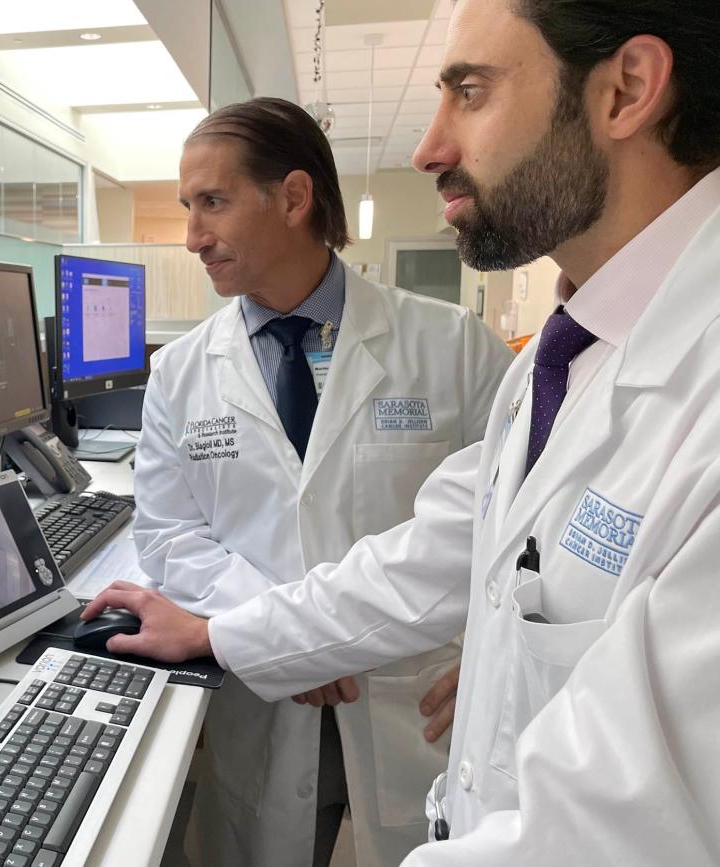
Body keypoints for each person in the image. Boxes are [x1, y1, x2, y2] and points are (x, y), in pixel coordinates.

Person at [85, 0, 720, 862]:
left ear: (625, 89)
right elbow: (431, 555)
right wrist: (233, 630)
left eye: (471, 91)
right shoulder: (570, 356)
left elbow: (614, 827)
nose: (430, 147)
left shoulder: (664, 383)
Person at [134, 97, 511, 867]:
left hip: (416, 702)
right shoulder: (178, 372)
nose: (192, 237)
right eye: (186, 206)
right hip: (265, 703)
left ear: (295, 198)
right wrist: (294, 643)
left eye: (213, 202)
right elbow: (168, 535)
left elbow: (519, 524)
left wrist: (500, 650)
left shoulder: (456, 349)